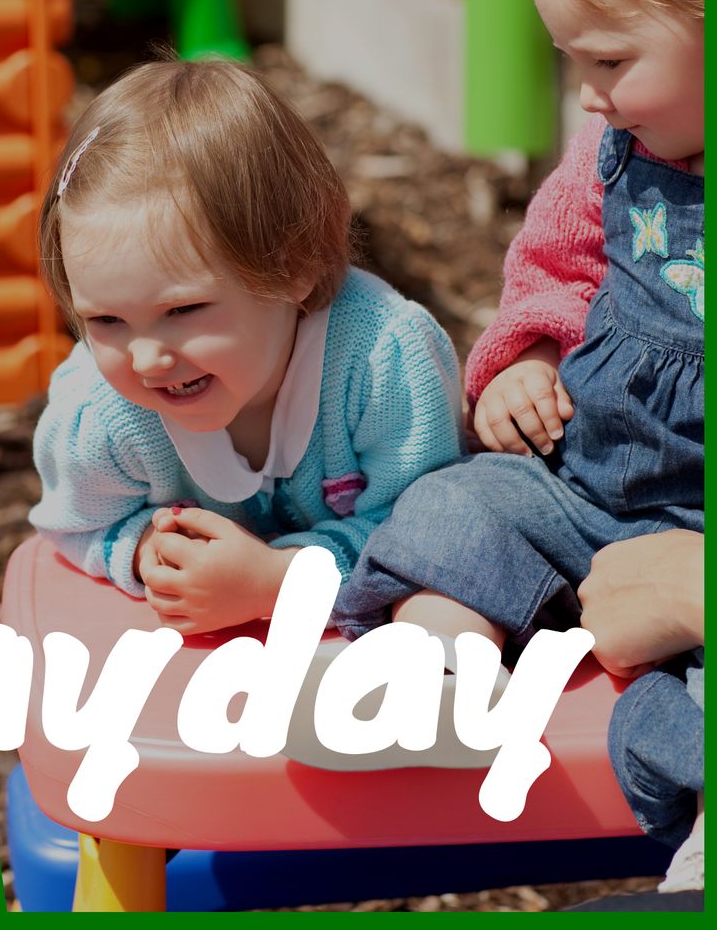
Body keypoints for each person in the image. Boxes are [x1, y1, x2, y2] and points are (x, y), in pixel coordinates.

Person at [330, 0, 703, 888]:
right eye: (573, 60)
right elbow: (553, 266)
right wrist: (529, 359)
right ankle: (431, 672)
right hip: (585, 490)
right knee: (464, 506)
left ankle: (691, 827)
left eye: (614, 58)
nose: (588, 91)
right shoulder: (611, 149)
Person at [28, 58, 464, 637]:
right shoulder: (101, 412)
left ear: (291, 266)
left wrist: (278, 580)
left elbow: (435, 534)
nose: (146, 359)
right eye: (105, 320)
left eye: (182, 311)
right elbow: (77, 520)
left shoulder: (383, 363)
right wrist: (143, 553)